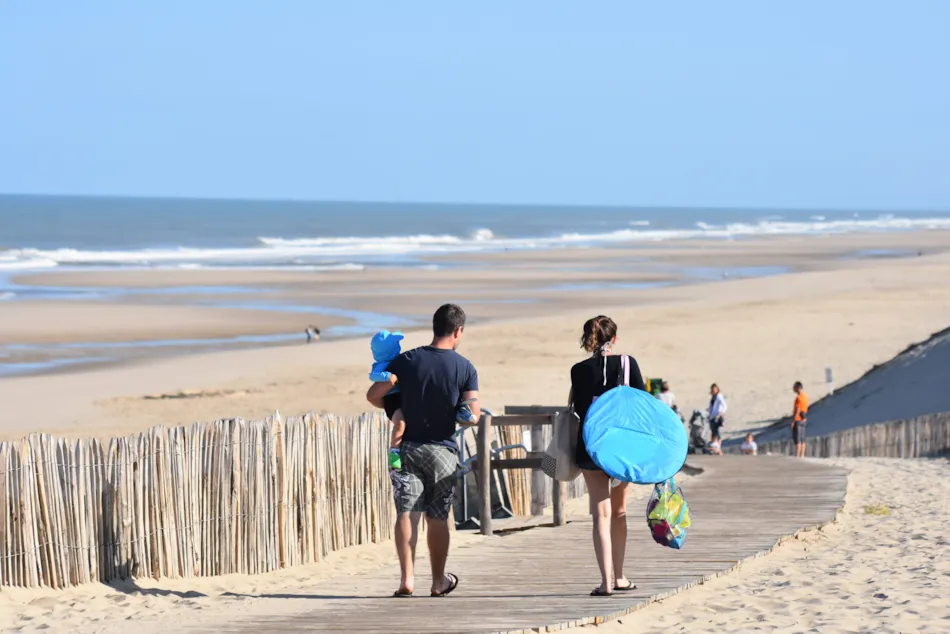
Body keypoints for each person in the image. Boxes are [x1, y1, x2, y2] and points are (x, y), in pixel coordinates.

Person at [366, 304, 479, 599]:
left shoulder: (406, 360)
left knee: (407, 512)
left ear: (434, 326)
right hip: (443, 451)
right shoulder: (465, 367)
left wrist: (396, 411)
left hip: (407, 449)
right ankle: (438, 580)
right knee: (438, 516)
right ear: (458, 330)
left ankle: (407, 579)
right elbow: (473, 414)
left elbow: (374, 395)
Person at [570, 315, 646, 597]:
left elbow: (580, 410)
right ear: (614, 338)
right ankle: (620, 577)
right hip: (621, 446)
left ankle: (605, 582)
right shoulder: (627, 364)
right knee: (619, 511)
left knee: (600, 514)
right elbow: (642, 405)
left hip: (590, 446)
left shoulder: (578, 370)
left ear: (587, 339)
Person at [368, 330, 477, 471]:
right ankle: (394, 451)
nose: (399, 347)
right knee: (401, 423)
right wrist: (387, 378)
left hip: (402, 397)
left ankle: (451, 425)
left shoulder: (401, 360)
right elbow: (373, 379)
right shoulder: (388, 364)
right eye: (395, 344)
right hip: (392, 399)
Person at [791, 381, 809, 458]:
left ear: (798, 388)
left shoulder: (798, 398)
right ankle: (802, 454)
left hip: (798, 419)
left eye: (794, 387)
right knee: (803, 437)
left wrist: (793, 421)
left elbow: (797, 410)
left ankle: (798, 455)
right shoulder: (805, 397)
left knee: (797, 438)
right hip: (804, 418)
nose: (793, 388)